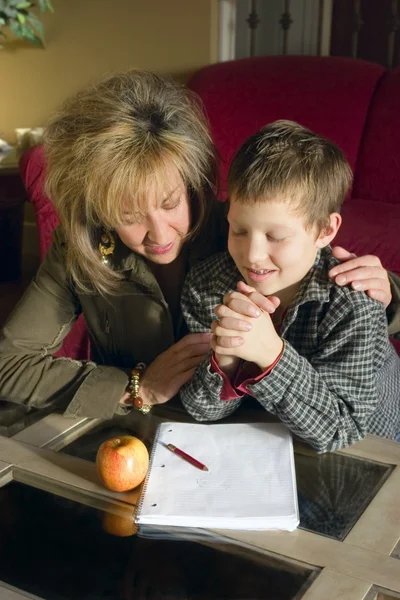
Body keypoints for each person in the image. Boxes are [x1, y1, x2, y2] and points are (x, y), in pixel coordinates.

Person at [0, 72, 397, 420]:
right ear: (99, 212)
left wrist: (388, 292)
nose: (159, 234)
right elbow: (7, 364)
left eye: (171, 204)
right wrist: (136, 387)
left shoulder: (238, 232)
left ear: (195, 181)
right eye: (129, 215)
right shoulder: (81, 246)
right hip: (144, 428)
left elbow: (330, 304)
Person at [180, 120, 400, 452]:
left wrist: (271, 355)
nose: (252, 254)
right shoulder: (207, 285)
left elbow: (344, 430)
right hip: (272, 450)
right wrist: (225, 359)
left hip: (372, 452)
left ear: (325, 230)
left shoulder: (353, 303)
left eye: (276, 236)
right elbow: (201, 410)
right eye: (238, 230)